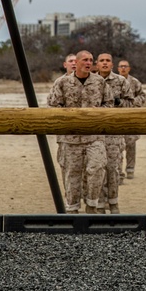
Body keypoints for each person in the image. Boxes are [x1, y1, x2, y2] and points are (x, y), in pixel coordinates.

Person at [46, 50, 112, 213]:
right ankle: (72, 209)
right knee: (71, 175)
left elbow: (109, 104)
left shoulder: (100, 82)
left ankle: (92, 206)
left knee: (97, 169)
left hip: (94, 137)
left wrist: (98, 113)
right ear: (77, 62)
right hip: (70, 138)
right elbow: (53, 106)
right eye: (85, 60)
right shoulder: (62, 82)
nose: (88, 63)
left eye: (91, 60)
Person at [93, 53, 133, 213]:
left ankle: (114, 203)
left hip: (113, 134)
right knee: (97, 169)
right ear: (96, 64)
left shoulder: (121, 81)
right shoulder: (90, 81)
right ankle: (100, 204)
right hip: (94, 134)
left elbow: (132, 103)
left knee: (113, 169)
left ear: (112, 64)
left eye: (107, 61)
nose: (104, 63)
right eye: (101, 61)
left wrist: (119, 102)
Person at [118, 60, 146, 180]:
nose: (123, 68)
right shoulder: (114, 81)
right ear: (117, 68)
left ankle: (130, 169)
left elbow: (142, 96)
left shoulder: (134, 82)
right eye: (121, 66)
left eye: (125, 66)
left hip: (131, 118)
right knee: (117, 146)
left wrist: (132, 103)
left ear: (129, 68)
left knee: (131, 144)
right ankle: (118, 172)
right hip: (117, 118)